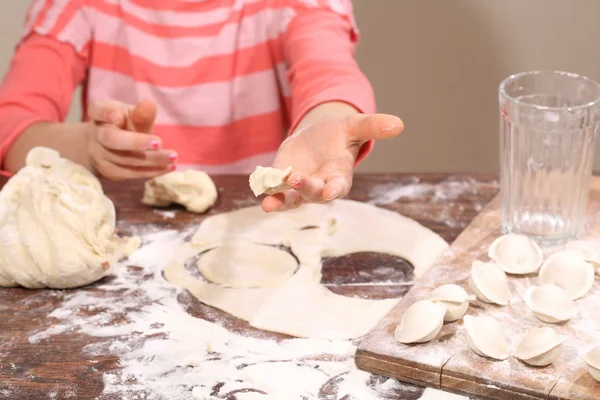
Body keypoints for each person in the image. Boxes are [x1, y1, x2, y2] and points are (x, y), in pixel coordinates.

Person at [0, 0, 404, 212]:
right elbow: (11, 122)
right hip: (124, 239)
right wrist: (86, 147)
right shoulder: (79, 5)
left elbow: (326, 67)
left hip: (260, 226)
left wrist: (329, 117)